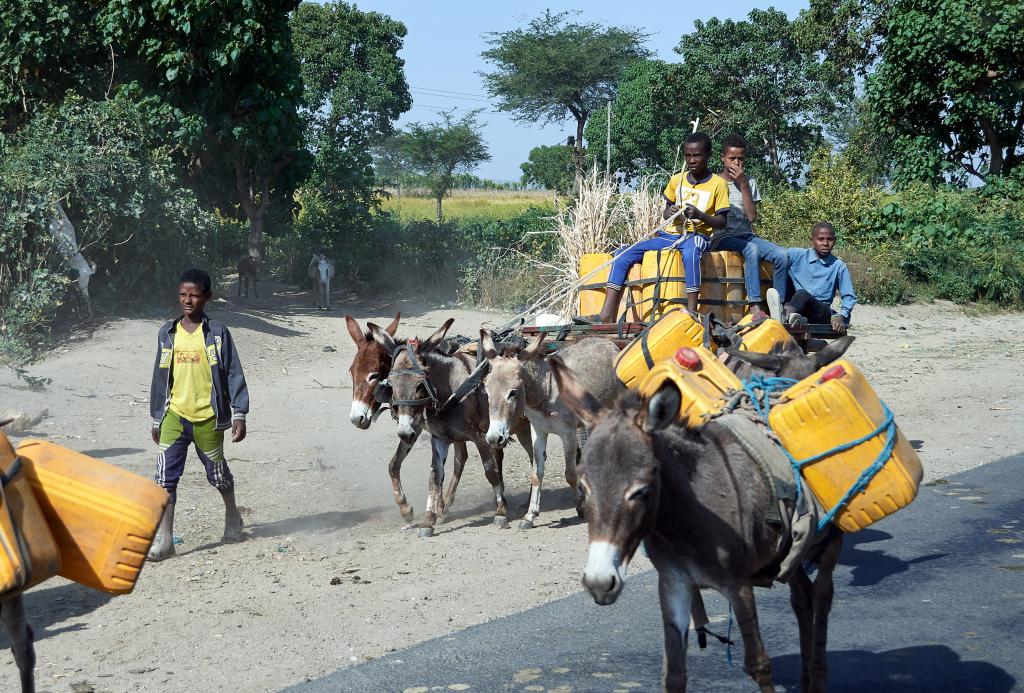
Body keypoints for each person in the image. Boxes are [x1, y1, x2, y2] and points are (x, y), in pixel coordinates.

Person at [147, 268, 249, 560]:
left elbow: (233, 373)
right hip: (174, 417)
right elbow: (159, 376)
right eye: (182, 295)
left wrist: (239, 413)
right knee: (164, 479)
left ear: (207, 297)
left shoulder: (217, 333)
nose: (187, 301)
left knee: (217, 475)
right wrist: (157, 416)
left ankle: (232, 516)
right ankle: (166, 541)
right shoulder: (167, 333)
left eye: (194, 295)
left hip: (208, 417)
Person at [594, 132, 729, 321]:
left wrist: (700, 215)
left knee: (691, 253)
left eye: (697, 155)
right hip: (669, 235)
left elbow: (722, 221)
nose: (692, 160)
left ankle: (691, 310)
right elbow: (666, 212)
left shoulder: (718, 184)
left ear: (708, 155)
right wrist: (670, 211)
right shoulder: (677, 180)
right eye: (688, 155)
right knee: (623, 254)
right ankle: (606, 313)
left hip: (697, 236)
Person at [709, 133, 790, 319]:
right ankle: (754, 304)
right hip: (722, 237)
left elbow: (752, 217)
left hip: (746, 235)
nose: (736, 163)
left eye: (740, 159)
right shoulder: (714, 182)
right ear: (723, 158)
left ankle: (779, 306)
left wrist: (743, 184)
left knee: (782, 256)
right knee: (751, 250)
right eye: (732, 158)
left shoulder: (749, 181)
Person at [781, 222, 857, 333]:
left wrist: (842, 316)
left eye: (829, 239)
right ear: (812, 240)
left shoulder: (838, 266)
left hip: (820, 311)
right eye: (820, 239)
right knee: (781, 265)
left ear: (834, 241)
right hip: (796, 306)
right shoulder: (797, 255)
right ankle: (792, 315)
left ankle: (784, 317)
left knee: (803, 294)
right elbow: (775, 255)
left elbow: (849, 297)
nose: (825, 243)